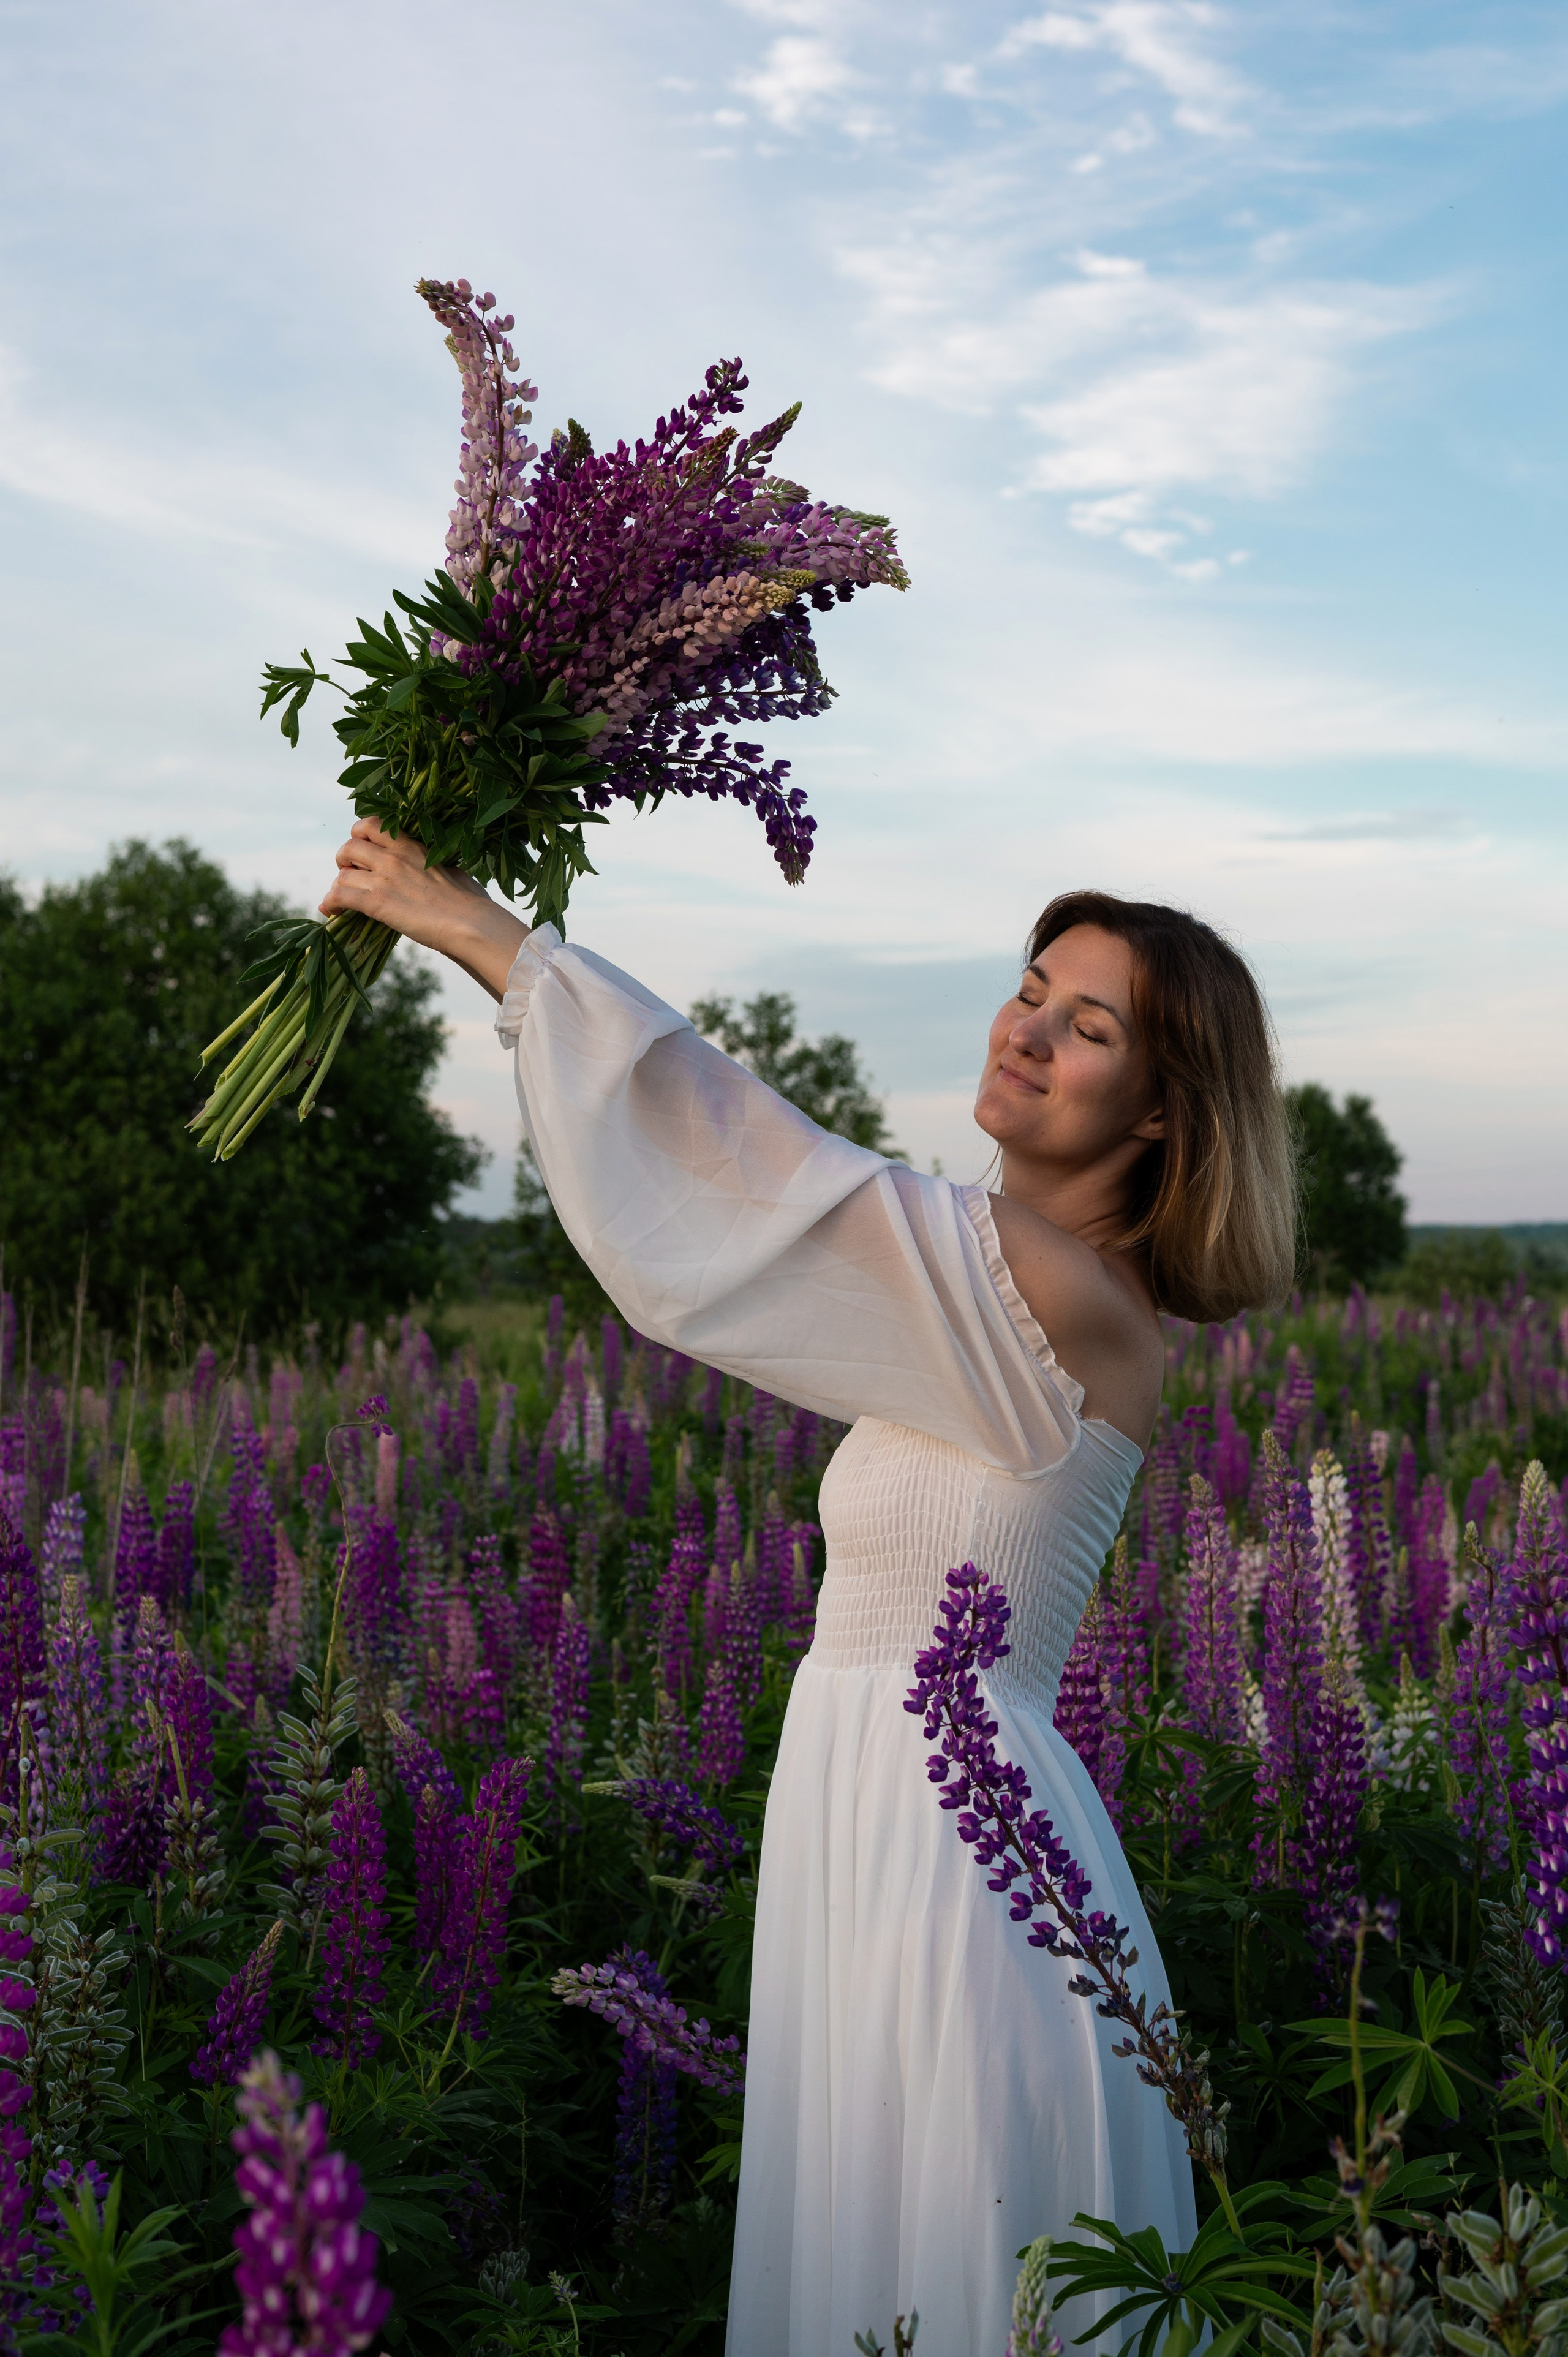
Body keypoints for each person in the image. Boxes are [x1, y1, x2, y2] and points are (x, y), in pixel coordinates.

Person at [321, 820, 1297, 2357]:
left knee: (948, 2278)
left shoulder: (1068, 1298)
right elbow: (758, 1233)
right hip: (869, 1833)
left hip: (967, 1869)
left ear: (1165, 1110)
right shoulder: (976, 1293)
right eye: (1031, 987)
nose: (1027, 1028)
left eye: (1087, 1024)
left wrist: (494, 941)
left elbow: (749, 1166)